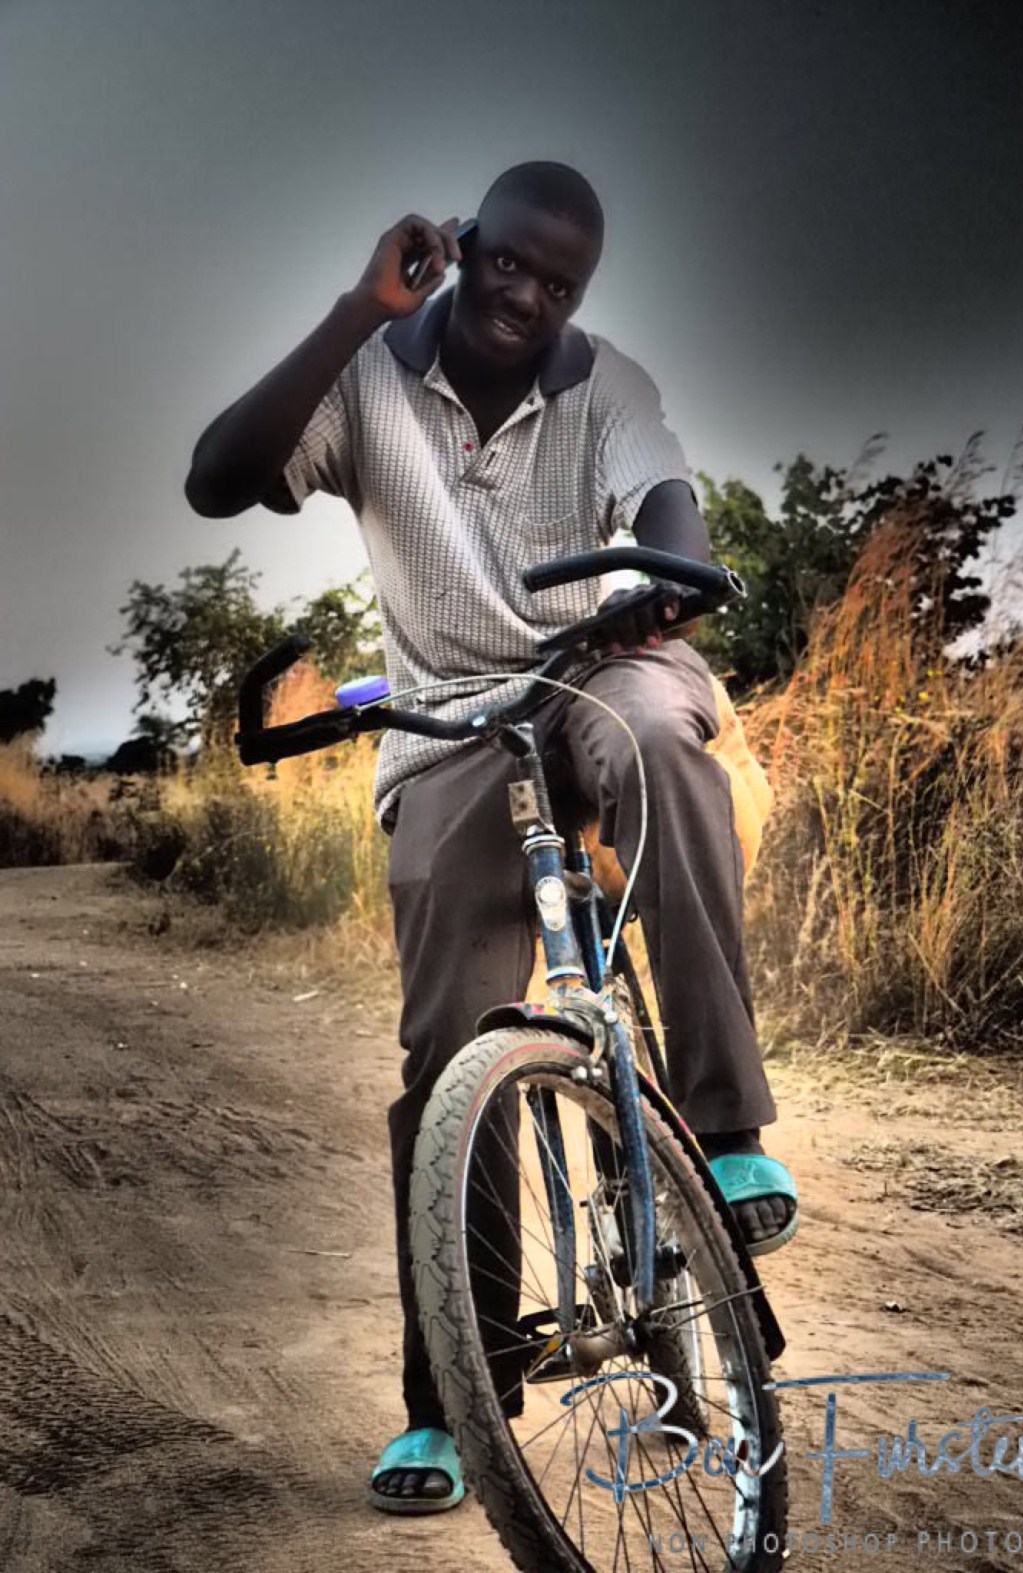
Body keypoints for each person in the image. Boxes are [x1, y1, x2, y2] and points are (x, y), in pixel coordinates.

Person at [185, 160, 797, 1516]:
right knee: (451, 1055)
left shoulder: (608, 383)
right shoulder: (370, 377)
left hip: (598, 665)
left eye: (559, 281)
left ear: (582, 292)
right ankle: (453, 1399)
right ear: (464, 244)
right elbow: (217, 480)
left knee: (654, 740)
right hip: (449, 727)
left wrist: (663, 595)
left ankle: (729, 1125)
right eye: (507, 261)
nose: (526, 295)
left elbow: (668, 505)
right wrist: (357, 308)